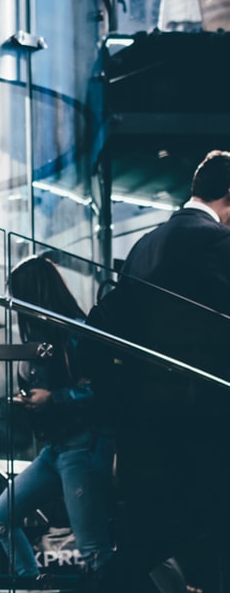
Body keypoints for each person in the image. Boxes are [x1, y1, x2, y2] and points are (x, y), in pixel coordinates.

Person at [93, 150, 230, 592]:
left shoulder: (144, 244)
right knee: (200, 529)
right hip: (199, 422)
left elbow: (103, 325)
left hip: (142, 425)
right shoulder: (213, 242)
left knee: (152, 537)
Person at [0, 257, 114, 586]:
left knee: (94, 552)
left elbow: (102, 392)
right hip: (55, 449)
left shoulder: (75, 332)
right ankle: (35, 584)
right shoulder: (45, 338)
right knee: (1, 517)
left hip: (81, 447)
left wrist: (52, 398)